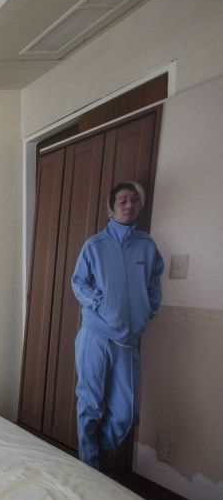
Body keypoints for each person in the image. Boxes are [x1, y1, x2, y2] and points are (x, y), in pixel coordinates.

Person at [71, 181, 164, 469]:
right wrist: (100, 303)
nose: (129, 205)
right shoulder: (94, 245)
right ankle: (89, 465)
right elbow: (78, 282)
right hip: (96, 334)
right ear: (110, 210)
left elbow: (154, 284)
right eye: (123, 200)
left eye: (134, 200)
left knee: (126, 412)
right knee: (90, 402)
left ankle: (95, 451)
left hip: (129, 339)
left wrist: (147, 310)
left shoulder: (147, 246)